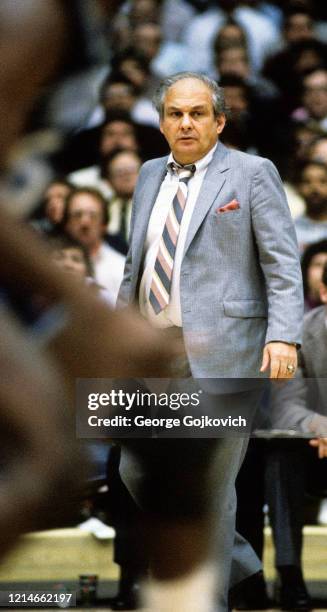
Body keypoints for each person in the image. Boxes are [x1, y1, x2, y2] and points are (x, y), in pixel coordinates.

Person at [117, 72, 303, 612]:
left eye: (198, 113)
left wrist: (284, 336)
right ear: (161, 122)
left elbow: (282, 264)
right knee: (136, 473)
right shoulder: (150, 174)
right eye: (175, 113)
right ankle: (239, 560)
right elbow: (136, 265)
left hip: (225, 352)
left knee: (212, 491)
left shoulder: (251, 173)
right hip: (152, 357)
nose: (186, 122)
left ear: (219, 121)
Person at [266, 261, 327, 611]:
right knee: (281, 454)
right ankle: (290, 575)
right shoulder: (299, 334)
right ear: (323, 293)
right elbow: (286, 408)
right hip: (312, 448)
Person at [62, 187, 125, 302]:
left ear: (104, 225)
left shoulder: (121, 269)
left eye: (93, 216)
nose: (85, 222)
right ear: (67, 223)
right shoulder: (54, 262)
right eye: (77, 215)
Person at [293, 160, 327, 252]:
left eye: (322, 181)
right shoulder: (291, 230)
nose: (315, 188)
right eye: (307, 182)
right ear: (298, 188)